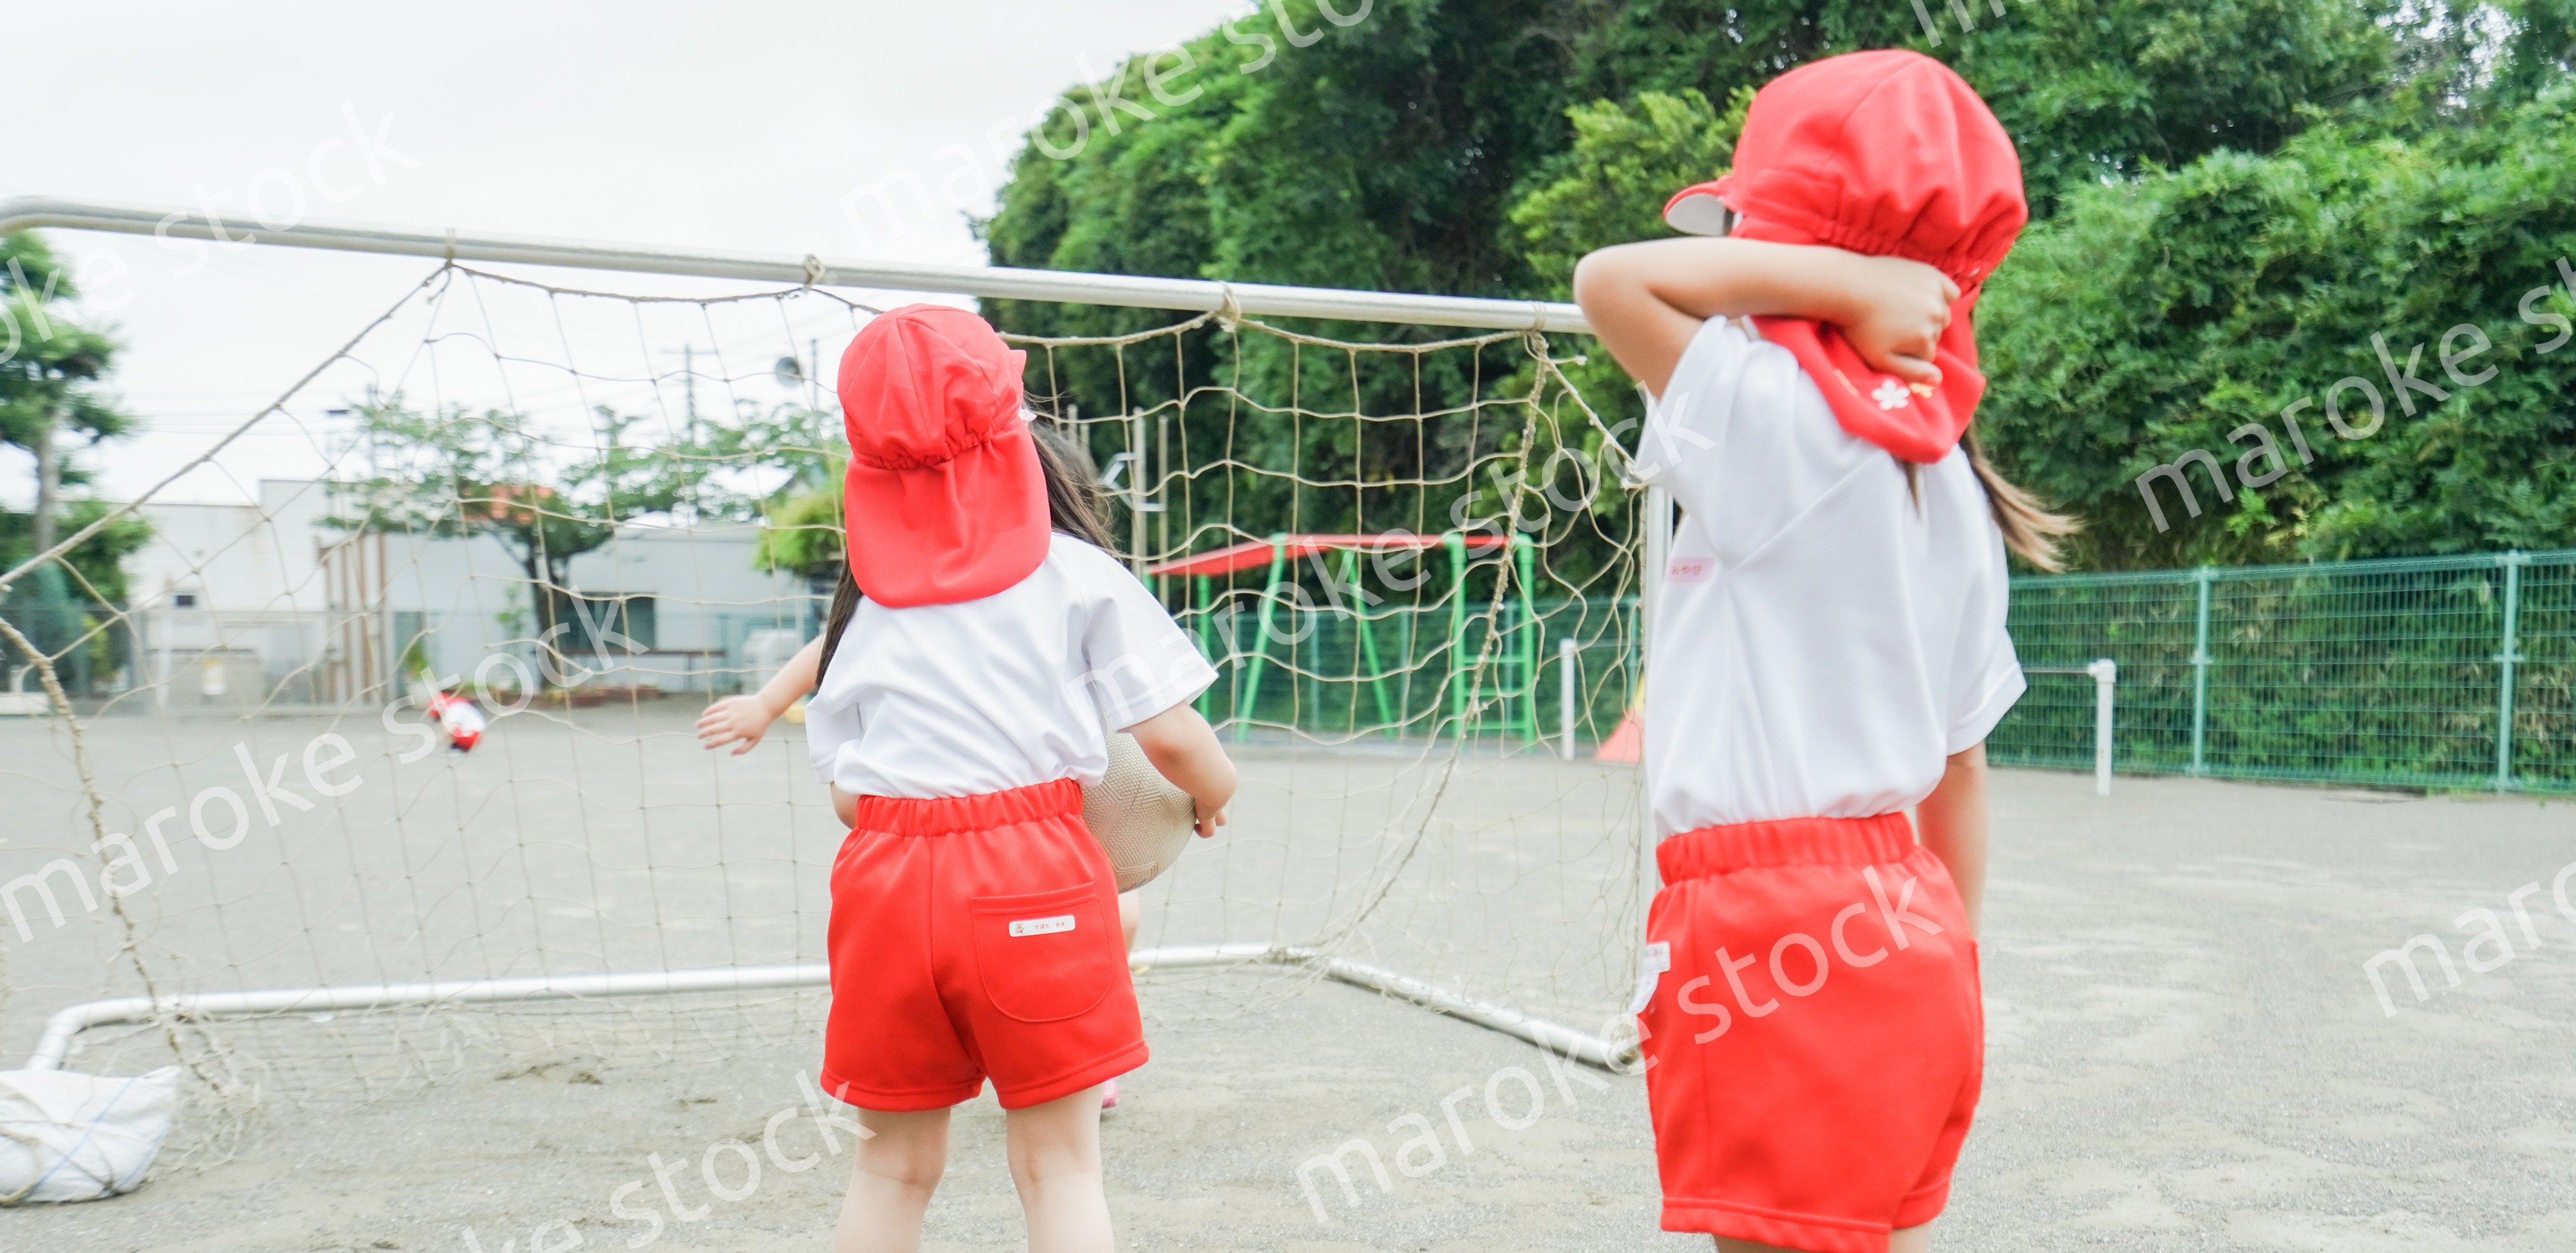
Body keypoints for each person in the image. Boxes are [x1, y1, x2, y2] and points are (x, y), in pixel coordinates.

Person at [1572, 50, 2076, 1253]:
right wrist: (1953, 952)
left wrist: (1850, 279)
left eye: (1752, 236)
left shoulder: (1776, 425)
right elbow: (1961, 767)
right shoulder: (1955, 483)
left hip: (1770, 918)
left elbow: (1613, 281)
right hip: (1910, 919)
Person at [762, 304, 1234, 1253]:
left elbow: (847, 795)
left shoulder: (863, 607)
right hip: (1030, 869)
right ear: (1013, 437)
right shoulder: (1076, 574)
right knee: (1059, 1165)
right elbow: (1175, 738)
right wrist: (1215, 795)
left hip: (883, 876)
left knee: (890, 1166)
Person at [696, 424, 1160, 1113]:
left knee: (892, 1161)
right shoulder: (955, 582)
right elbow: (833, 641)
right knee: (1060, 1153)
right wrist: (767, 702)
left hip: (950, 829)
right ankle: (1053, 1054)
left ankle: (1063, 1051)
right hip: (1012, 825)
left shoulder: (1039, 585)